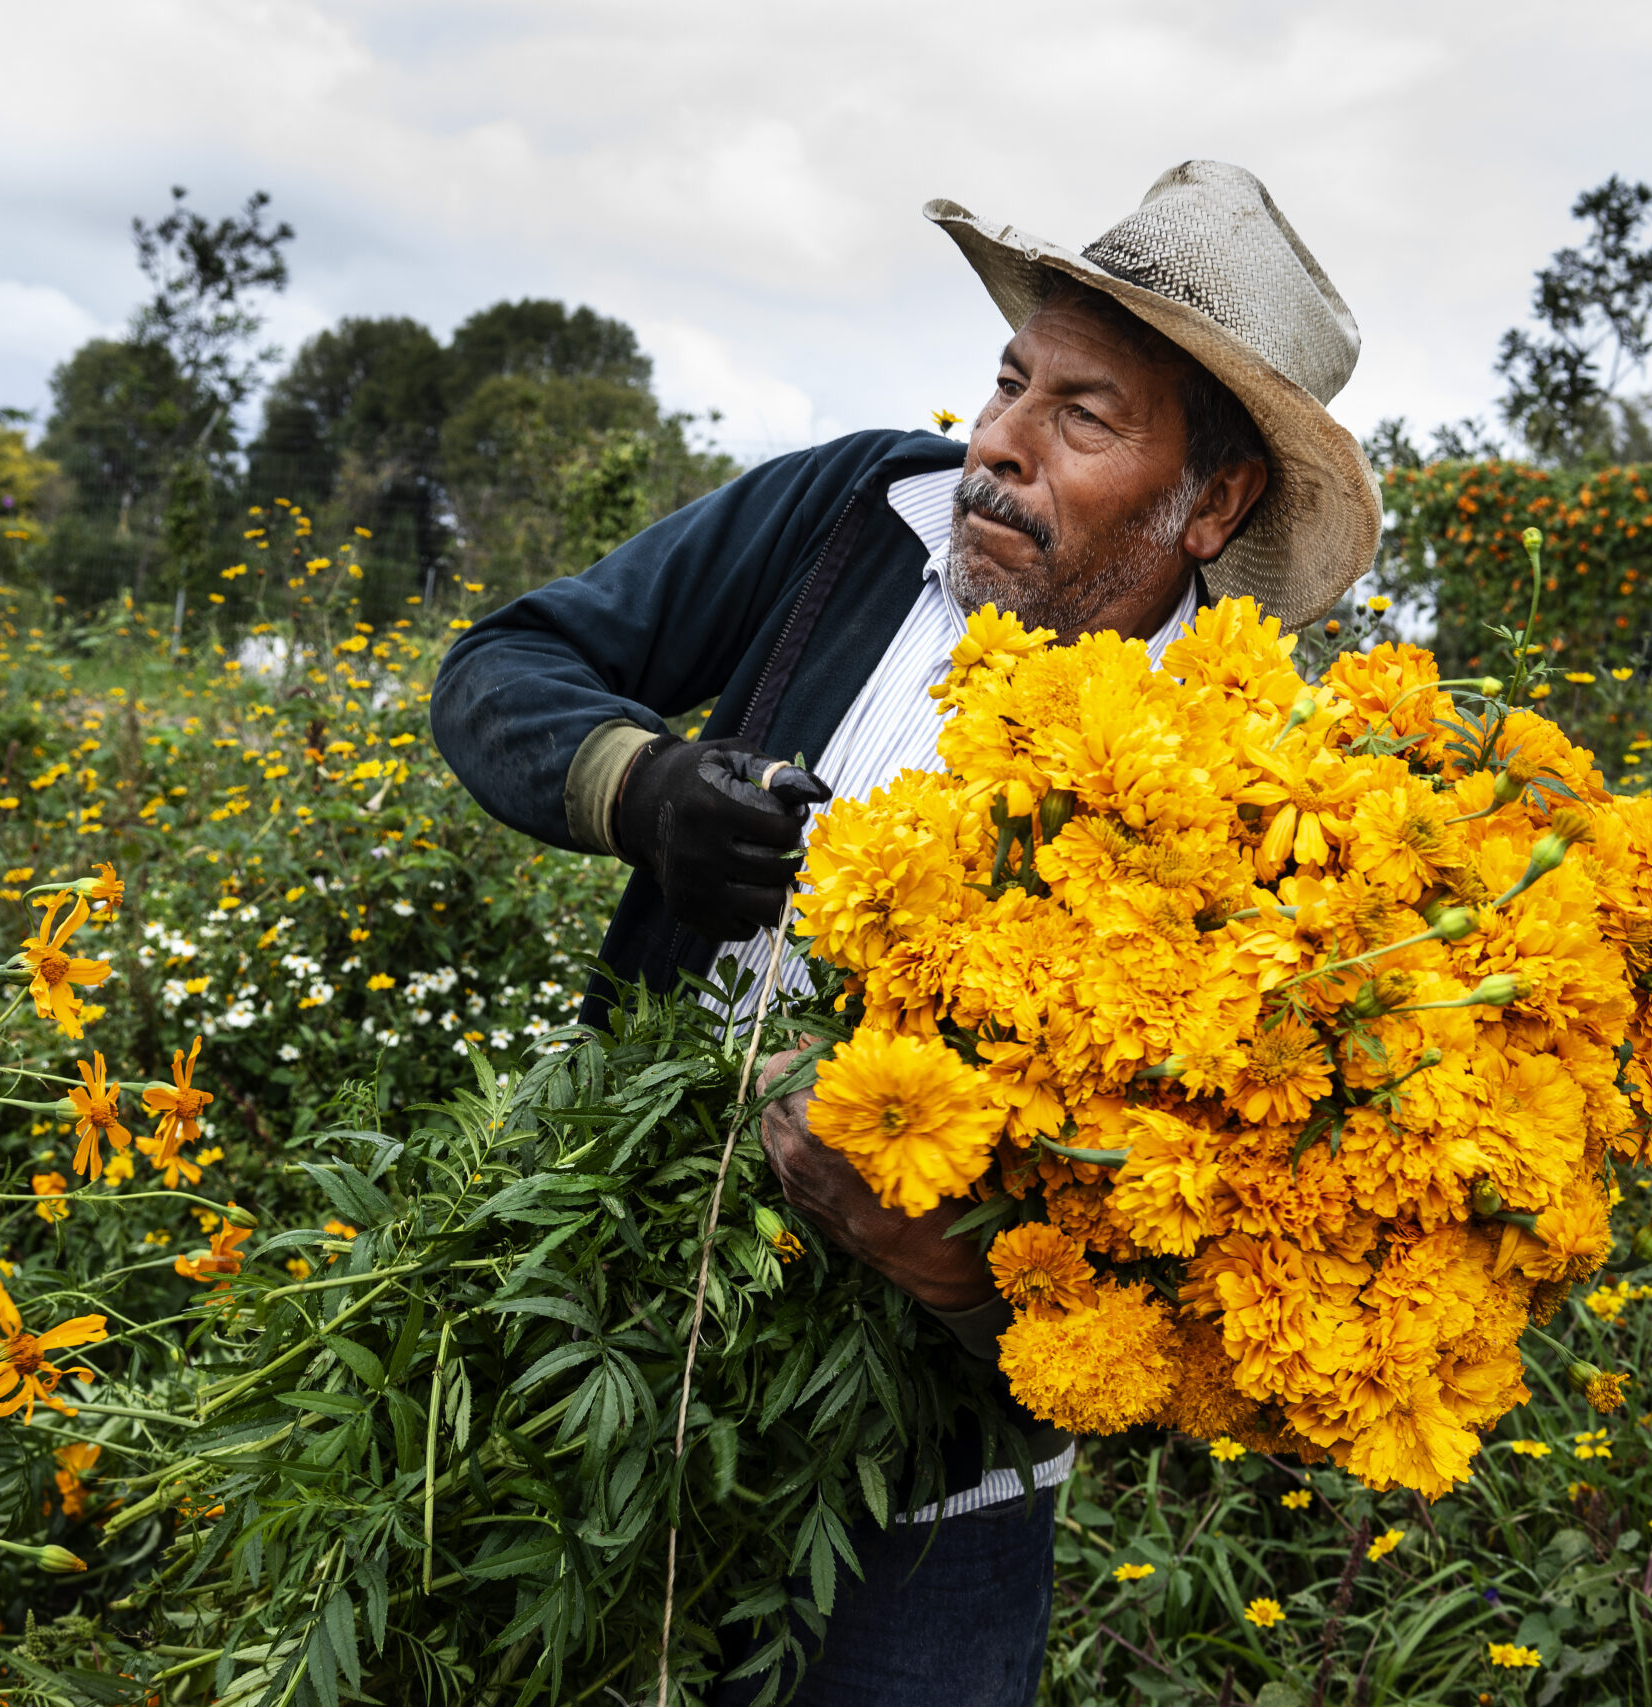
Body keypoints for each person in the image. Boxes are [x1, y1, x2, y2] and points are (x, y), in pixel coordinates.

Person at [431, 159, 1382, 1705]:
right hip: (604, 1360)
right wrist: (644, 790)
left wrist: (957, 1272)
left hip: (921, 1510)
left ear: (1212, 502)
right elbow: (505, 664)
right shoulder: (848, 518)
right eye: (1013, 379)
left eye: (1084, 416)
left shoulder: (1267, 806)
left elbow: (1208, 1283)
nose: (996, 444)